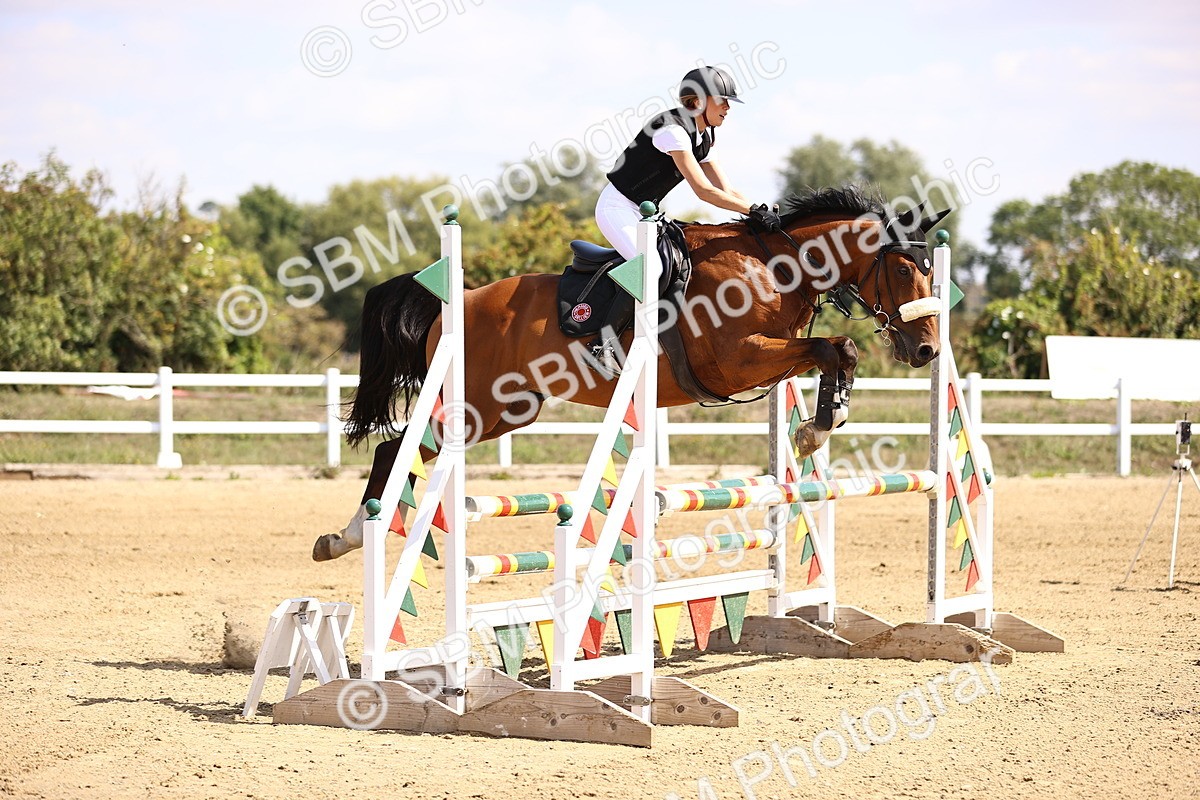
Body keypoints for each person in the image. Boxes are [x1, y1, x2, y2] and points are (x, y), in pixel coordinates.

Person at [596, 65, 781, 260]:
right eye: (722, 100)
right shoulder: (673, 131)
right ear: (699, 101)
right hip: (617, 208)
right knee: (652, 267)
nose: (728, 107)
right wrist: (752, 211)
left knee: (681, 262)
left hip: (646, 213)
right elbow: (704, 191)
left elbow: (727, 190)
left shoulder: (703, 140)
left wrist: (760, 211)